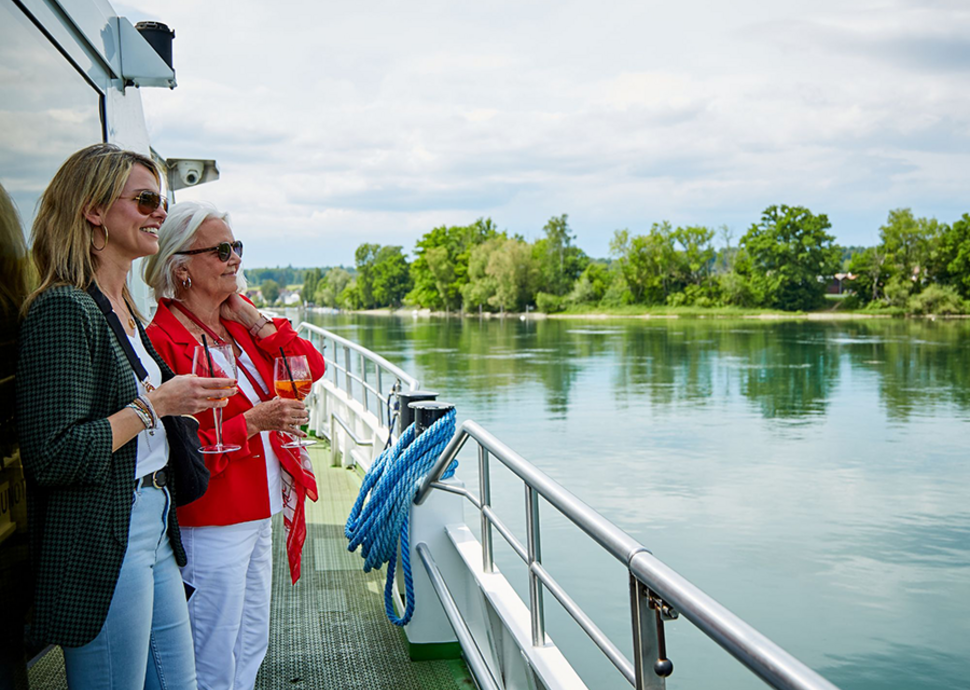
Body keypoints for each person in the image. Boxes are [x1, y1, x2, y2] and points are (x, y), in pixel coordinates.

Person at [16, 143, 237, 689]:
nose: (159, 212)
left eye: (161, 200)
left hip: (153, 517)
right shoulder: (64, 309)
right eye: (144, 200)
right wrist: (156, 405)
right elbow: (53, 453)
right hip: (107, 530)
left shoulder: (125, 310)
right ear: (93, 209)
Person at [142, 200, 323, 690]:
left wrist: (252, 316)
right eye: (221, 251)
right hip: (211, 517)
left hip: (256, 508)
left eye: (236, 247)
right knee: (210, 650)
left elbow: (306, 370)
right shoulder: (164, 342)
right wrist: (257, 419)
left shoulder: (238, 330)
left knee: (250, 641)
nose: (234, 259)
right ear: (181, 270)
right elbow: (183, 447)